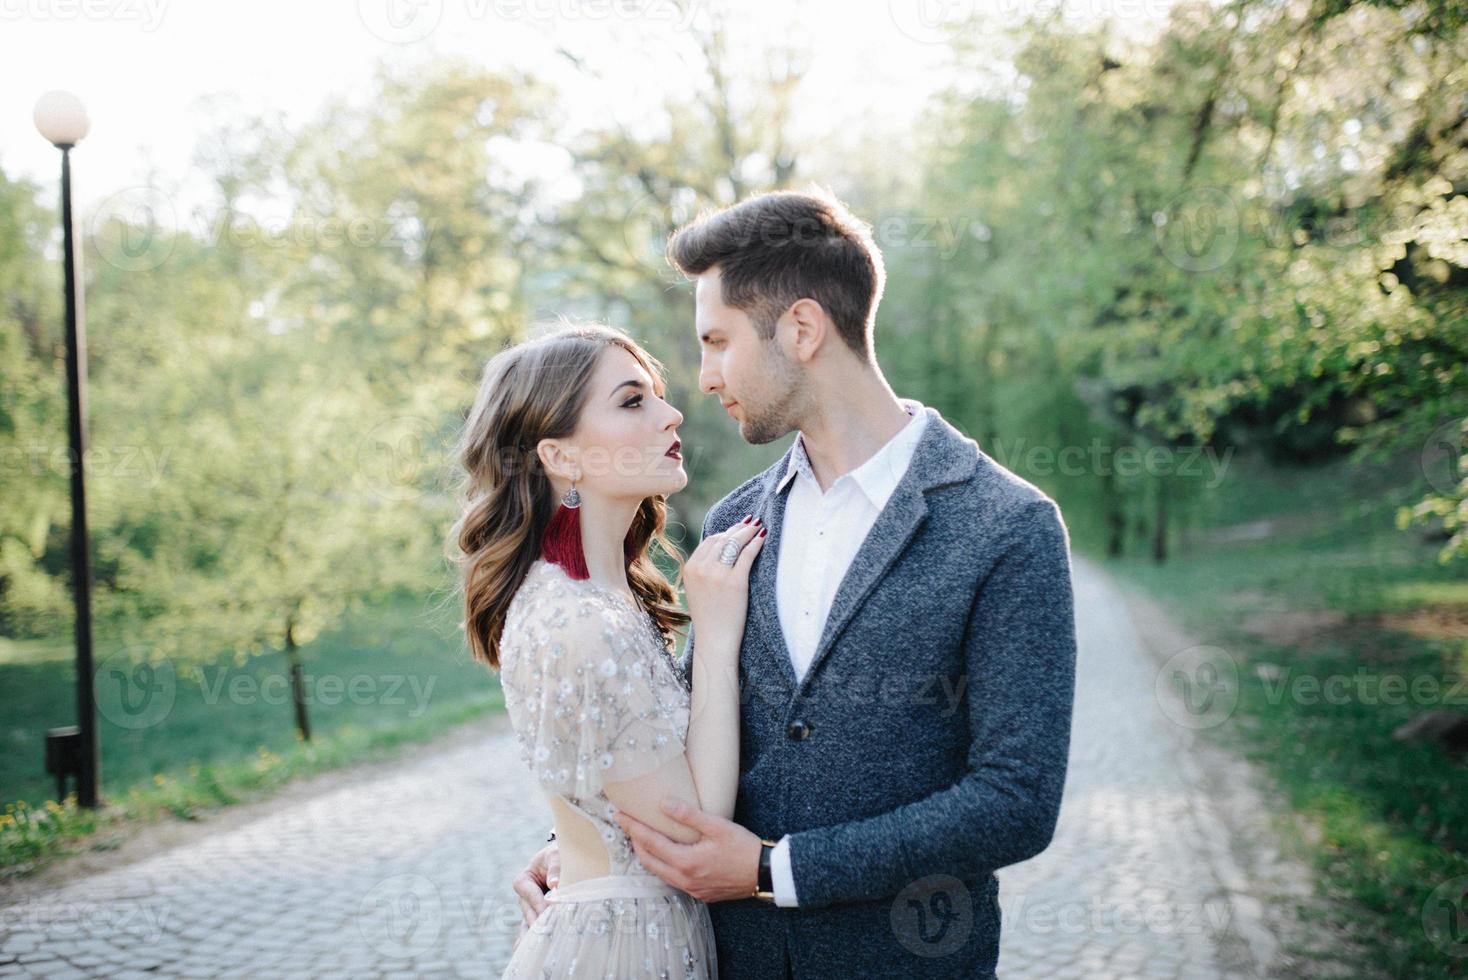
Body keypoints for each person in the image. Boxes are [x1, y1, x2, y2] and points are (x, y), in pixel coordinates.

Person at [512, 189, 1079, 979]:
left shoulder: (1006, 526)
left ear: (802, 329)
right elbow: (666, 737)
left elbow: (1015, 801)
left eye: (718, 342)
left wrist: (774, 868)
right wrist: (579, 849)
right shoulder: (734, 523)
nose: (704, 378)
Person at [449, 322, 768, 977]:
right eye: (632, 401)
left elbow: (612, 790)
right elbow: (690, 831)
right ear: (560, 457)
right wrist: (716, 631)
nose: (672, 413)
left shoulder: (605, 599)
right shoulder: (576, 618)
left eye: (656, 395)